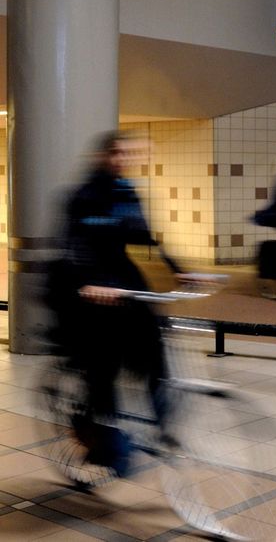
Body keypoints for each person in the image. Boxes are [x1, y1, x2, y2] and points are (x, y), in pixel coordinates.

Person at [49, 132, 192, 470]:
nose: (121, 159)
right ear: (102, 156)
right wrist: (90, 284)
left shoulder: (127, 191)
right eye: (115, 153)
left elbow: (146, 237)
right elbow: (71, 245)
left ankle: (162, 432)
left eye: (127, 154)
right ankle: (103, 440)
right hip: (87, 286)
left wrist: (180, 270)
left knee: (155, 350)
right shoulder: (80, 196)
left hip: (123, 281)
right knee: (104, 364)